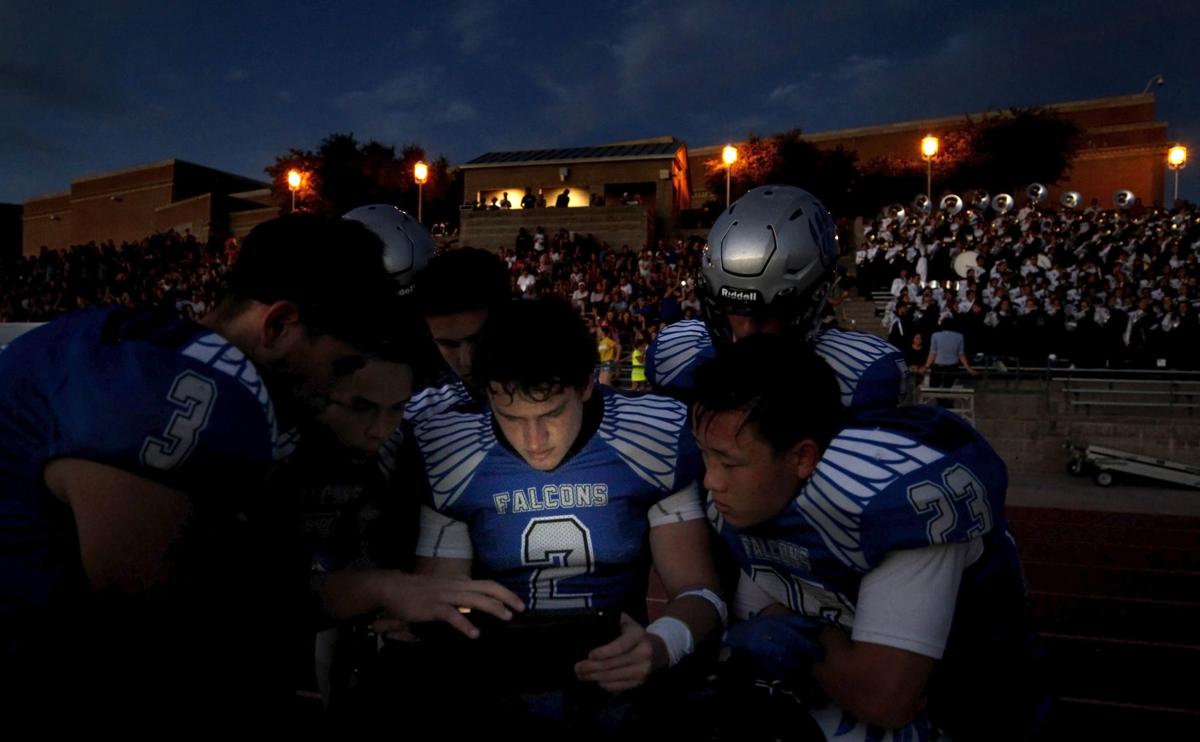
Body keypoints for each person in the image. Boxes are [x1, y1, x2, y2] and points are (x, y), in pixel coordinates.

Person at [0, 214, 520, 723]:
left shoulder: (145, 347)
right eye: (339, 365)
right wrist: (376, 589)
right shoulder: (184, 388)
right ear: (279, 325)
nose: (331, 390)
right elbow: (170, 624)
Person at [692, 335, 1047, 741]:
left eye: (729, 462)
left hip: (977, 714)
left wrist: (792, 633)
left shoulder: (892, 500)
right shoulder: (755, 494)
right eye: (705, 454)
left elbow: (885, 698)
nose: (711, 481)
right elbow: (753, 640)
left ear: (803, 457)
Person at [403, 298, 724, 732]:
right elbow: (439, 601)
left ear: (588, 384)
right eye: (511, 417)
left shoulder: (653, 435)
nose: (533, 440)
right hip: (499, 681)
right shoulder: (451, 448)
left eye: (552, 413)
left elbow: (700, 590)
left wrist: (660, 644)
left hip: (618, 681)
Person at [645, 186, 908, 409]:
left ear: (815, 296)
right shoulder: (678, 353)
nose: (746, 330)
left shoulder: (862, 375)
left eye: (763, 313)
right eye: (732, 307)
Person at [922, 315, 978, 388]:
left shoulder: (935, 335)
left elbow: (932, 353)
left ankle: (941, 399)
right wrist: (968, 368)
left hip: (938, 367)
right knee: (948, 387)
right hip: (953, 367)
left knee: (934, 387)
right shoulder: (959, 336)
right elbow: (961, 354)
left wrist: (926, 366)